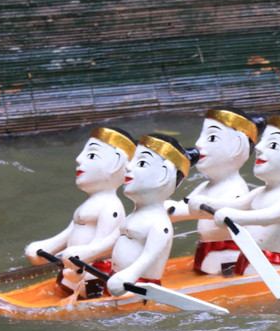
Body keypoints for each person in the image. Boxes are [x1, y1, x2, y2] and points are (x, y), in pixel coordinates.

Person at [23, 126, 135, 299]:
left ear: (117, 163)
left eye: (90, 155)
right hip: (74, 265)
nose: (78, 159)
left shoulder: (111, 206)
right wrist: (46, 248)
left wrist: (83, 262)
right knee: (64, 287)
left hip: (92, 270)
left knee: (88, 293)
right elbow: (69, 233)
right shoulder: (86, 205)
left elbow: (104, 244)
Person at [211, 115, 280, 276]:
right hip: (249, 263)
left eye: (272, 144)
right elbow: (236, 204)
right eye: (262, 140)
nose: (258, 147)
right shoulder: (260, 192)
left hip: (273, 269)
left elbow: (267, 217)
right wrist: (204, 203)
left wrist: (236, 217)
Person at [169, 107, 265, 274]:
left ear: (237, 146)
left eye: (211, 137)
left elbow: (217, 211)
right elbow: (183, 205)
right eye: (201, 135)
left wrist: (176, 211)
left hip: (227, 261)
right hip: (206, 256)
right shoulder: (205, 186)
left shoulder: (235, 189)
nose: (198, 143)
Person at [105, 134, 199, 297]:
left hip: (137, 287)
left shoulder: (159, 223)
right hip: (118, 281)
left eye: (141, 163)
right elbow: (112, 240)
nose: (128, 167)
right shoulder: (135, 214)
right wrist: (86, 253)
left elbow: (149, 256)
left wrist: (129, 275)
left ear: (163, 175)